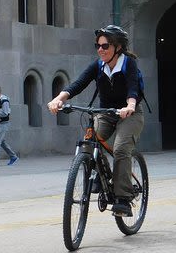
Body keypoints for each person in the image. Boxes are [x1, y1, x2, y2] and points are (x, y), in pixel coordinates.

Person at [47, 25, 144, 217]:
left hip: (130, 113)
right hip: (106, 112)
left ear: (117, 47)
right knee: (89, 141)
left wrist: (130, 105)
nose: (100, 50)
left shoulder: (128, 64)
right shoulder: (98, 65)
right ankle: (98, 176)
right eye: (98, 46)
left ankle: (123, 198)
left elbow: (133, 88)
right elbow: (78, 83)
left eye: (105, 46)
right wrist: (59, 98)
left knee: (120, 149)